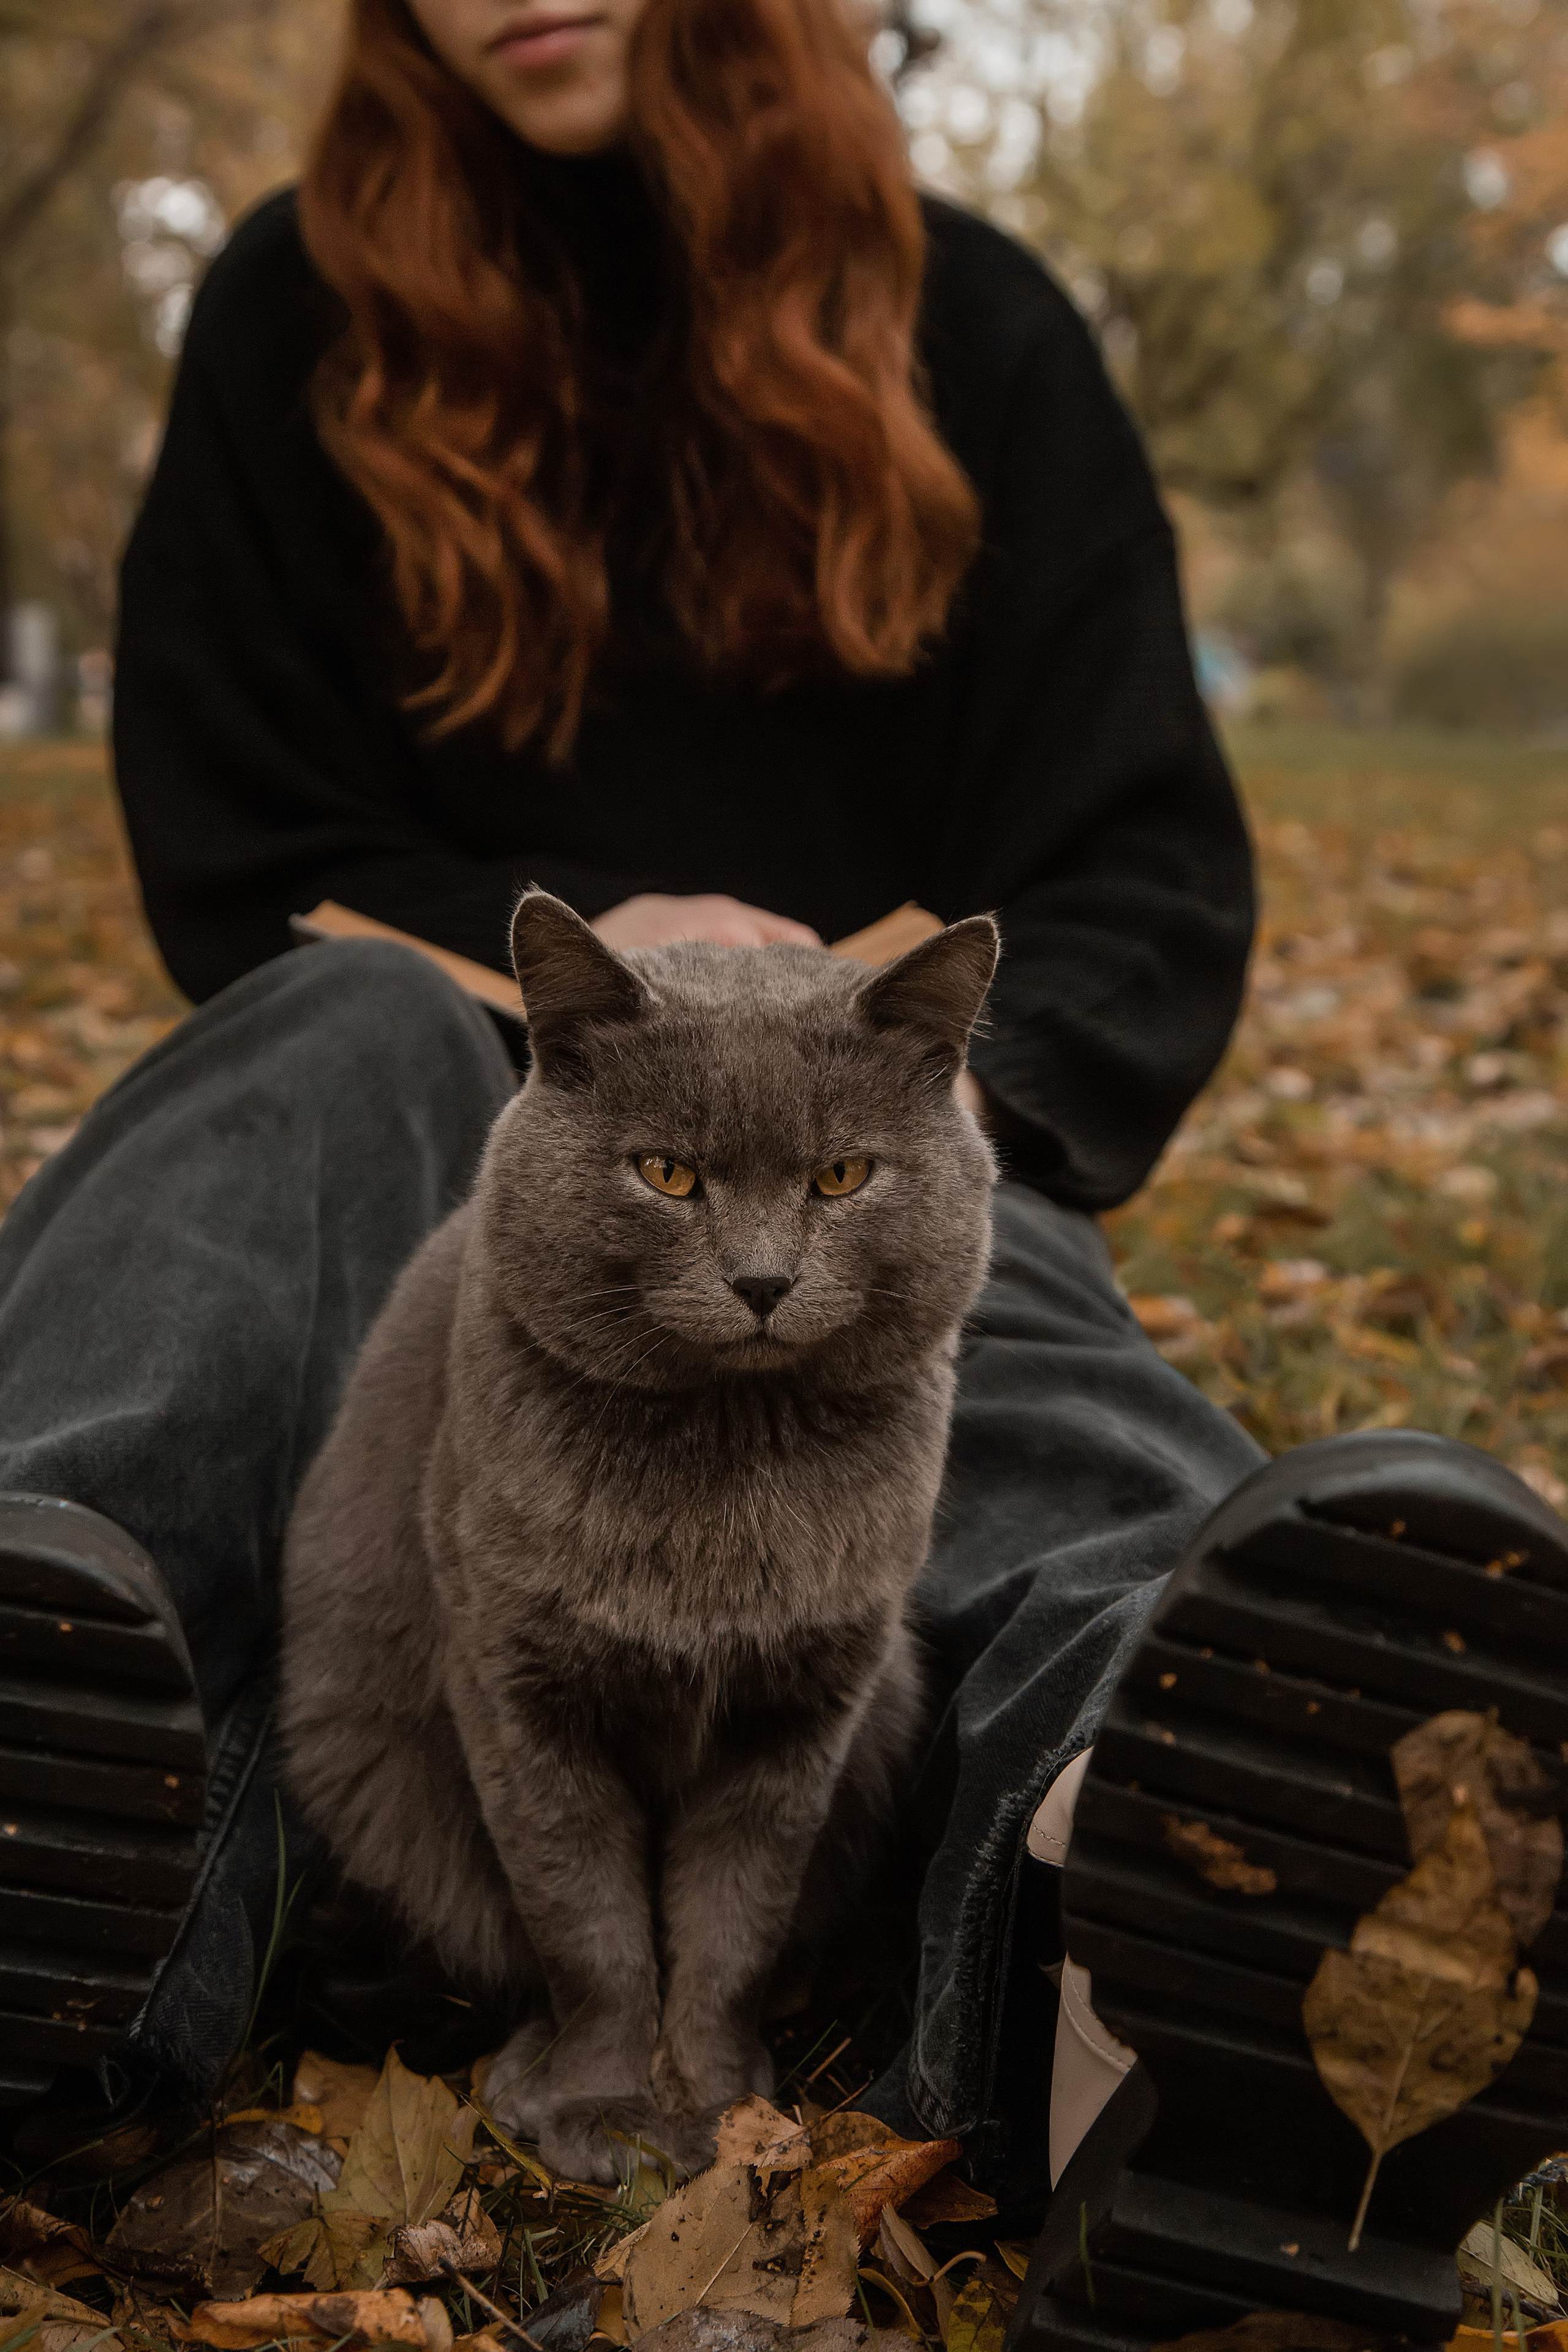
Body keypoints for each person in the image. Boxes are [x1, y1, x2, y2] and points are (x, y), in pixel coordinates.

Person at [0, 0, 1562, 2337]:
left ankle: (1166, 1886)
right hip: (454, 1039)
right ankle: (59, 1762)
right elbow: (240, 830)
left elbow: (1134, 854)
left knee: (993, 1327)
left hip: (871, 1103)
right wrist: (573, 963)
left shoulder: (981, 330)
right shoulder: (293, 320)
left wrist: (908, 1080)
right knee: (259, 1146)